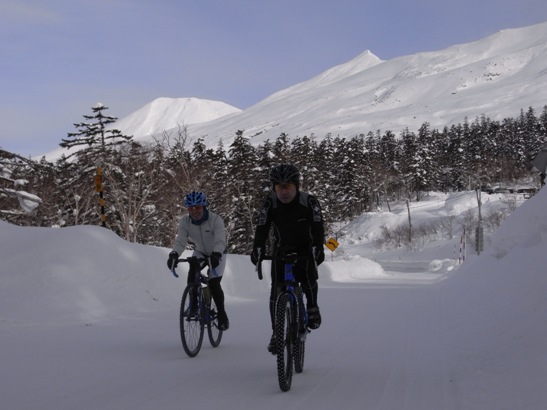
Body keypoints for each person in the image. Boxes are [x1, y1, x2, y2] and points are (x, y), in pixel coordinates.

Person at [250, 164, 325, 353]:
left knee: (308, 277)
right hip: (281, 250)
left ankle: (313, 306)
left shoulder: (310, 201)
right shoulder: (270, 204)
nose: (283, 192)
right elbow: (262, 228)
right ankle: (276, 333)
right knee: (276, 292)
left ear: (296, 186)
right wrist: (257, 248)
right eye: (279, 187)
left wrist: (318, 247)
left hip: (305, 249)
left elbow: (318, 227)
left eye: (288, 186)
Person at [167, 191, 229, 330]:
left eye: (197, 207)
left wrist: (217, 255)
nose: (194, 211)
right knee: (192, 271)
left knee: (214, 283)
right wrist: (174, 254)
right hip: (200, 251)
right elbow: (181, 240)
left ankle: (222, 314)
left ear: (204, 206)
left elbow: (220, 240)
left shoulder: (215, 220)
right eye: (191, 208)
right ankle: (193, 305)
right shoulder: (185, 221)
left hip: (218, 252)